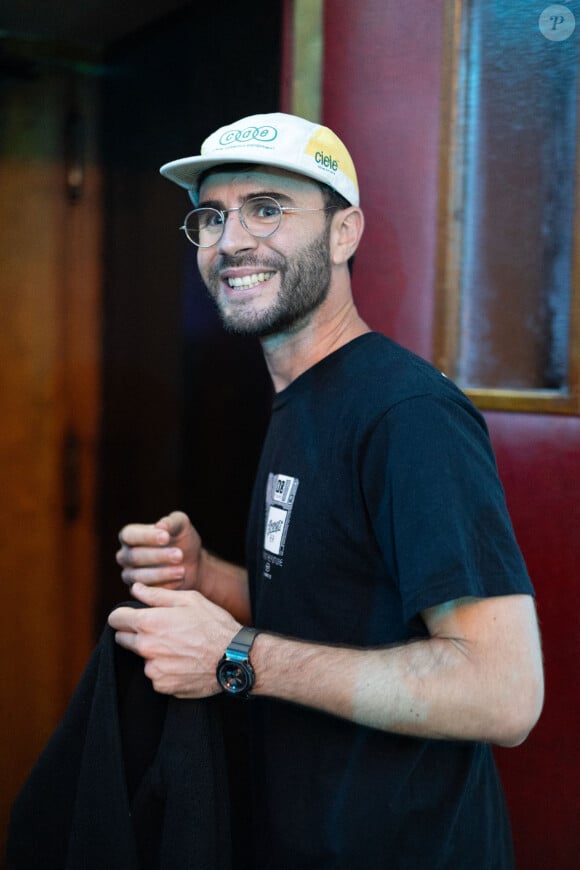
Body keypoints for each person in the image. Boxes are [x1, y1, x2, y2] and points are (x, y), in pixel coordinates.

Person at [109, 112, 544, 869]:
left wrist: (233, 657)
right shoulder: (301, 400)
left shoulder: (407, 416)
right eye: (212, 217)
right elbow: (339, 607)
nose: (232, 240)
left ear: (345, 234)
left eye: (267, 209)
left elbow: (503, 693)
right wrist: (207, 577)